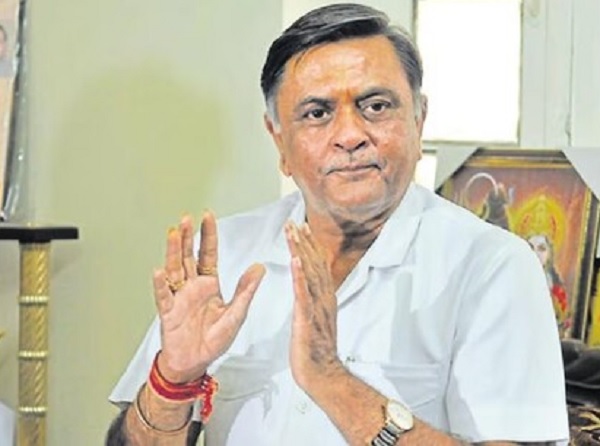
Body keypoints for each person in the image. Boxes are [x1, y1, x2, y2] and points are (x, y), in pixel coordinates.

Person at [106, 3, 569, 445]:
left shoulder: (493, 267)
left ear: (419, 120)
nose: (350, 135)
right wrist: (173, 381)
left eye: (376, 106)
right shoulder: (224, 257)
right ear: (279, 141)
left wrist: (330, 378)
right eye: (317, 113)